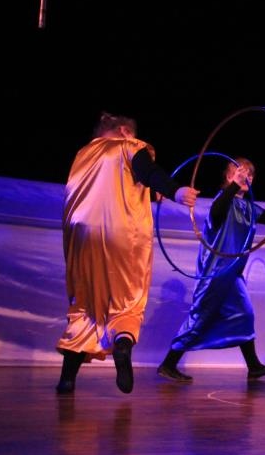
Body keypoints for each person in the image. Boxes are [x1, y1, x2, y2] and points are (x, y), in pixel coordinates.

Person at [55, 112, 199, 395]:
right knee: (127, 303)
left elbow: (113, 187)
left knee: (84, 305)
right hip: (119, 234)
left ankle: (67, 380)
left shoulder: (83, 153)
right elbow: (148, 171)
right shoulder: (128, 146)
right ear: (123, 131)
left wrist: (148, 192)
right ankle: (122, 345)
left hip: (81, 235)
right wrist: (175, 191)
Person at [157, 157, 265, 382]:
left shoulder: (249, 208)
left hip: (233, 274)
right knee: (201, 318)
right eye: (241, 172)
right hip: (215, 273)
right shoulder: (221, 201)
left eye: (250, 174)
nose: (246, 177)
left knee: (244, 313)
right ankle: (168, 364)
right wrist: (234, 185)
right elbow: (218, 212)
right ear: (229, 176)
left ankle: (254, 366)